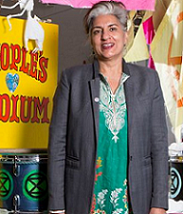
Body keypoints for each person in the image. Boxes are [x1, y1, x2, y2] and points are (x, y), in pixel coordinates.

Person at [47, 1, 168, 214]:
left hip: (135, 199)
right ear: (91, 39)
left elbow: (158, 145)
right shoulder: (72, 80)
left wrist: (159, 204)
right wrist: (57, 206)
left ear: (125, 34)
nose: (106, 37)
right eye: (97, 31)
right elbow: (58, 145)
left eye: (112, 29)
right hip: (84, 198)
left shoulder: (148, 80)